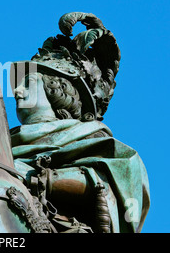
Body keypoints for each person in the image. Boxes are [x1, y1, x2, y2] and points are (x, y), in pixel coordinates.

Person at [10, 12, 150, 233]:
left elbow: (117, 185)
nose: (17, 91)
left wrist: (43, 179)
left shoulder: (92, 139)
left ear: (55, 88)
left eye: (29, 83)